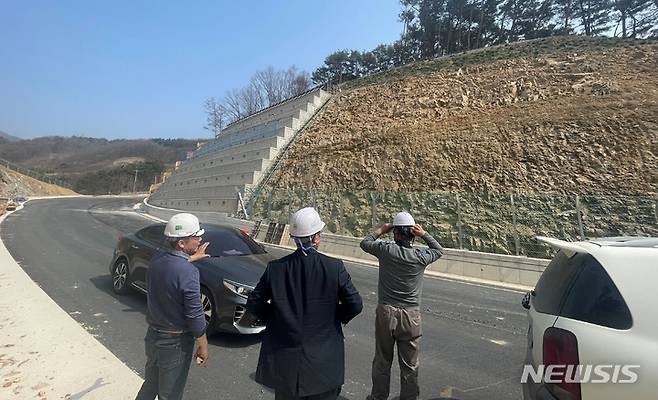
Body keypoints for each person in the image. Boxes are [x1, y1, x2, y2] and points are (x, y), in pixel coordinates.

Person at [246, 207, 363, 400]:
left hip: (285, 367)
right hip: (323, 367)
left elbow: (254, 302)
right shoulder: (334, 267)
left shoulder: (276, 269)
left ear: (294, 237)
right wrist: (336, 317)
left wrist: (275, 318)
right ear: (316, 237)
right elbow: (355, 304)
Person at [360, 211, 444, 400]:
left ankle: (378, 396)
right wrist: (424, 234)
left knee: (382, 360)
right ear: (412, 234)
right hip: (411, 316)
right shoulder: (420, 256)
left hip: (386, 313)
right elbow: (439, 250)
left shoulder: (386, 250)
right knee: (410, 364)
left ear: (395, 234)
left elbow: (365, 243)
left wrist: (382, 229)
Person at [135, 213, 211, 400]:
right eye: (196, 237)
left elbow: (173, 265)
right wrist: (203, 343)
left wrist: (191, 258)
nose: (200, 240)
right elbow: (195, 314)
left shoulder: (157, 260)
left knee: (151, 385)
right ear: (181, 244)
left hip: (153, 337)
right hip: (175, 343)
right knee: (171, 395)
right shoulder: (189, 273)